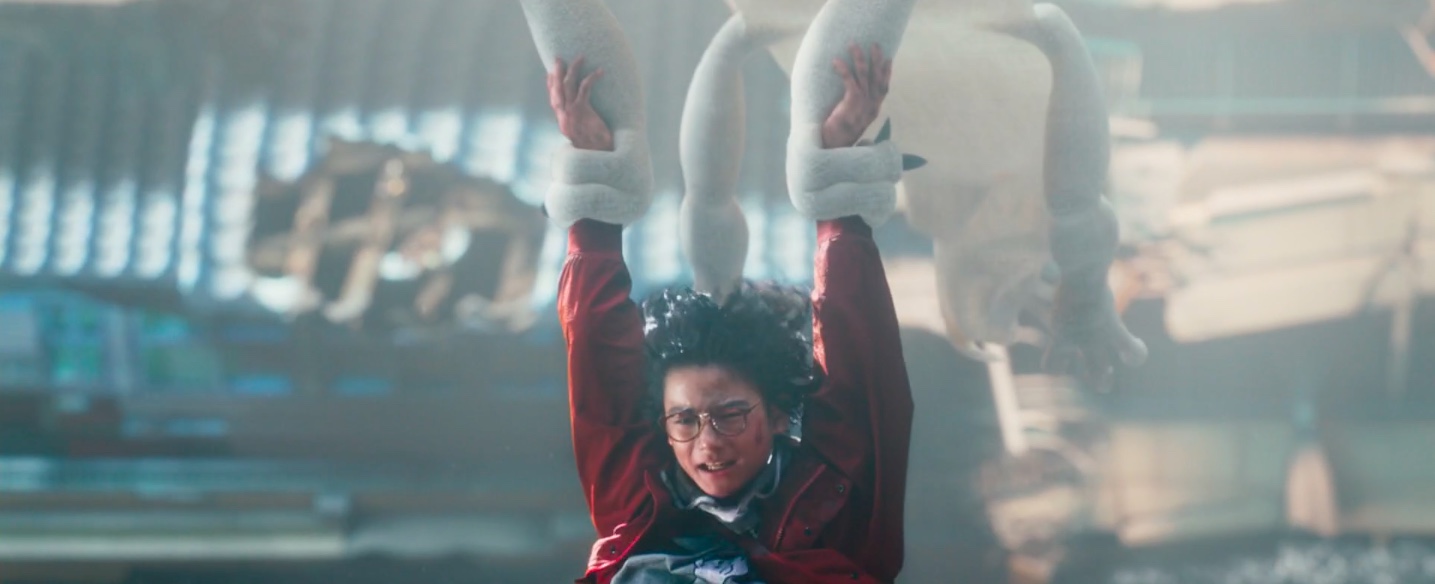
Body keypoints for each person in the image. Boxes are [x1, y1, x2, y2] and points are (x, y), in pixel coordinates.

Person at [549, 37, 913, 583]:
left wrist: (837, 184)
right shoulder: (636, 509)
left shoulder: (836, 508)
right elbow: (597, 365)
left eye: (730, 415)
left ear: (776, 414)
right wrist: (596, 175)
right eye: (685, 420)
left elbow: (862, 370)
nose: (708, 442)